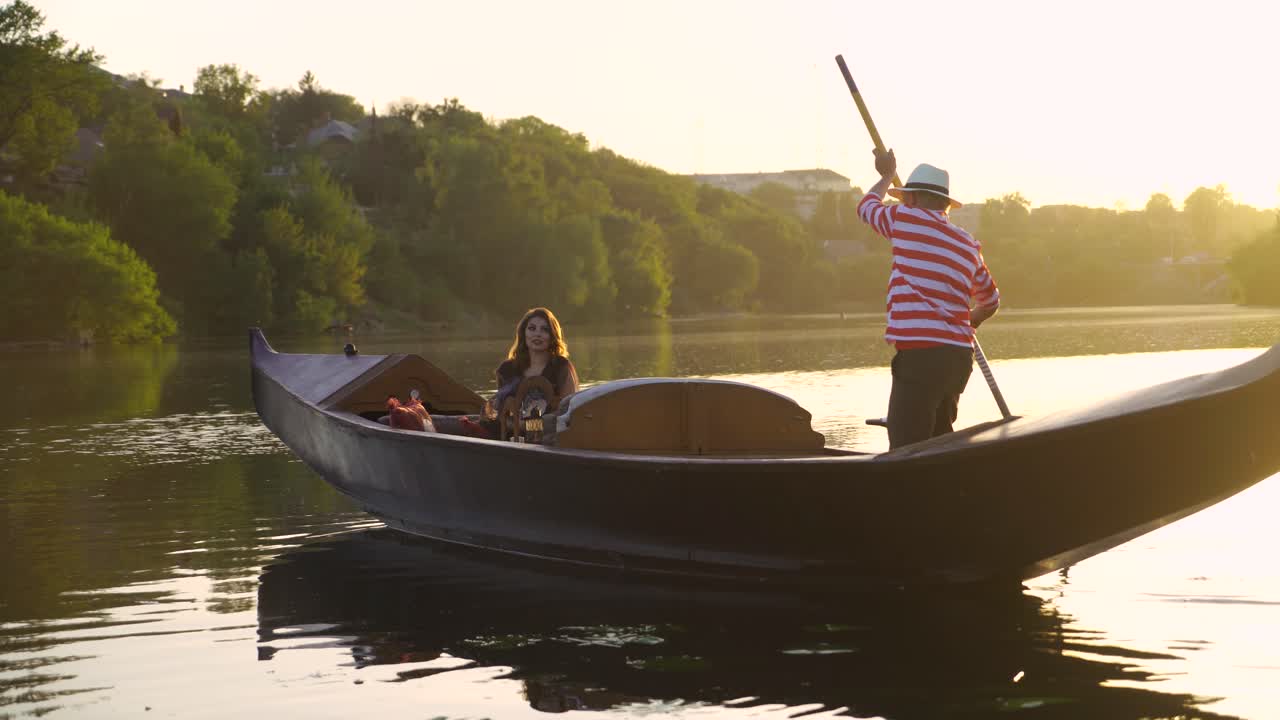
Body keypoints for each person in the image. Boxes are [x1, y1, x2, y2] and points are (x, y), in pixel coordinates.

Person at [857, 148, 1001, 449]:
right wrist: (970, 320)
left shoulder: (903, 219)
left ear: (912, 198)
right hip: (958, 357)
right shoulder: (968, 244)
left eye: (906, 197)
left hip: (921, 356)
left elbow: (866, 206)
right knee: (940, 439)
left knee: (907, 446)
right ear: (945, 205)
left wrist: (885, 176)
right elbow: (990, 301)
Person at [494, 307, 580, 415]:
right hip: (514, 430)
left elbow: (569, 410)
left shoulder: (561, 366)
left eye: (545, 330)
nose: (537, 334)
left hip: (552, 429)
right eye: (532, 328)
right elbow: (502, 409)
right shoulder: (506, 369)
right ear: (523, 334)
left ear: (552, 336)